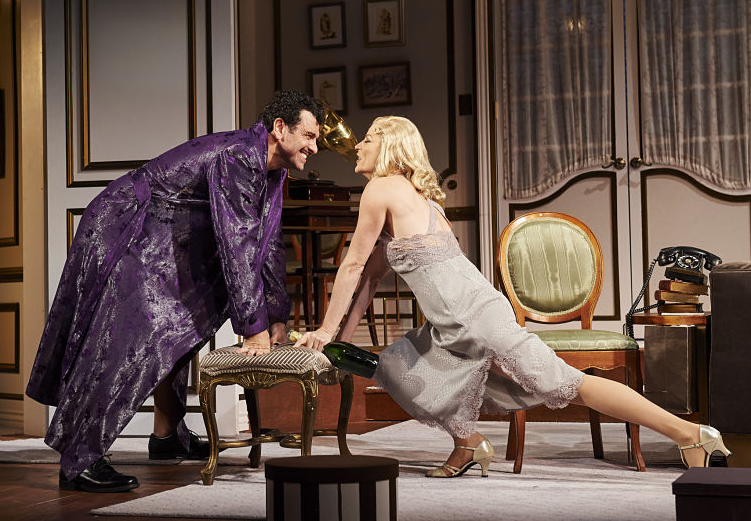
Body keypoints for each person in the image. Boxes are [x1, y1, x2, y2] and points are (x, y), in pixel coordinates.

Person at [294, 115, 731, 477]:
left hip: (474, 319)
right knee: (399, 369)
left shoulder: (382, 188)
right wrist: (335, 342)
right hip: (455, 322)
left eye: (368, 138)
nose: (358, 146)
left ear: (390, 146)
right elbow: (369, 279)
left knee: (568, 384)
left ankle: (691, 435)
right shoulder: (417, 200)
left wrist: (326, 331)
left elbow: (351, 265)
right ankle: (468, 443)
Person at [27, 90, 324, 492]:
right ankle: (80, 457)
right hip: (128, 227)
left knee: (179, 329)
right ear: (279, 128)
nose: (315, 147)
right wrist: (252, 328)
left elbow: (266, 243)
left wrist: (275, 317)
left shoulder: (273, 171)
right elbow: (237, 242)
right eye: (309, 136)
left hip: (166, 236)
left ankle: (167, 436)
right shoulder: (239, 156)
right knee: (126, 341)